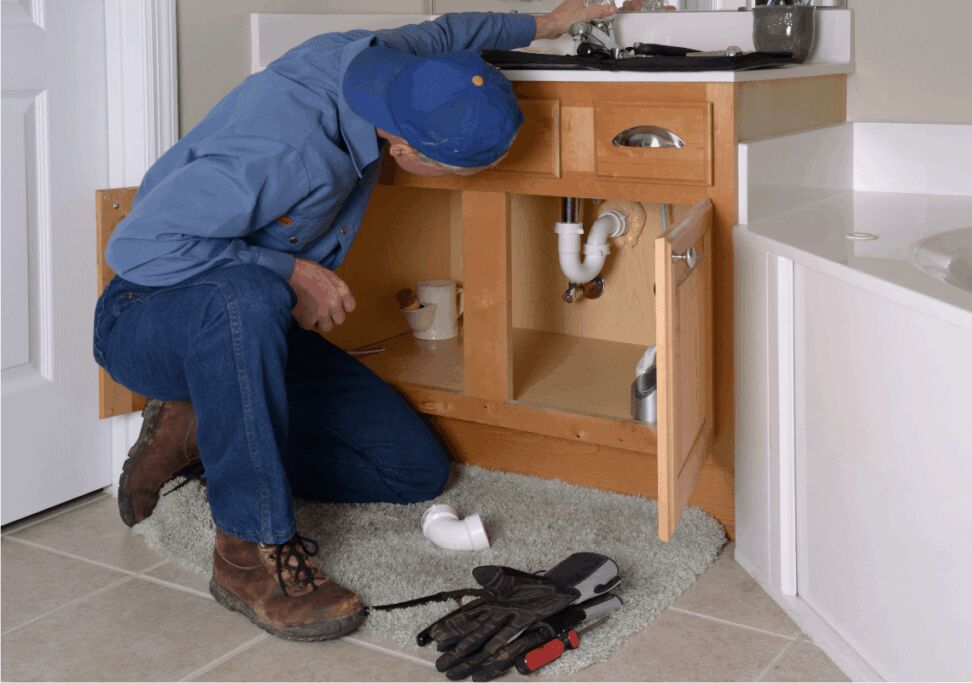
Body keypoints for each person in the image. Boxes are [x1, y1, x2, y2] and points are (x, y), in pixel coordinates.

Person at [92, 0, 614, 642]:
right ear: (404, 147)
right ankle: (248, 553)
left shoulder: (382, 66)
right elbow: (135, 248)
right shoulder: (281, 149)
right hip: (149, 315)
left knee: (411, 472)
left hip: (249, 331)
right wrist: (289, 272)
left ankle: (209, 425)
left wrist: (550, 21)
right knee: (249, 297)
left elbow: (450, 32)